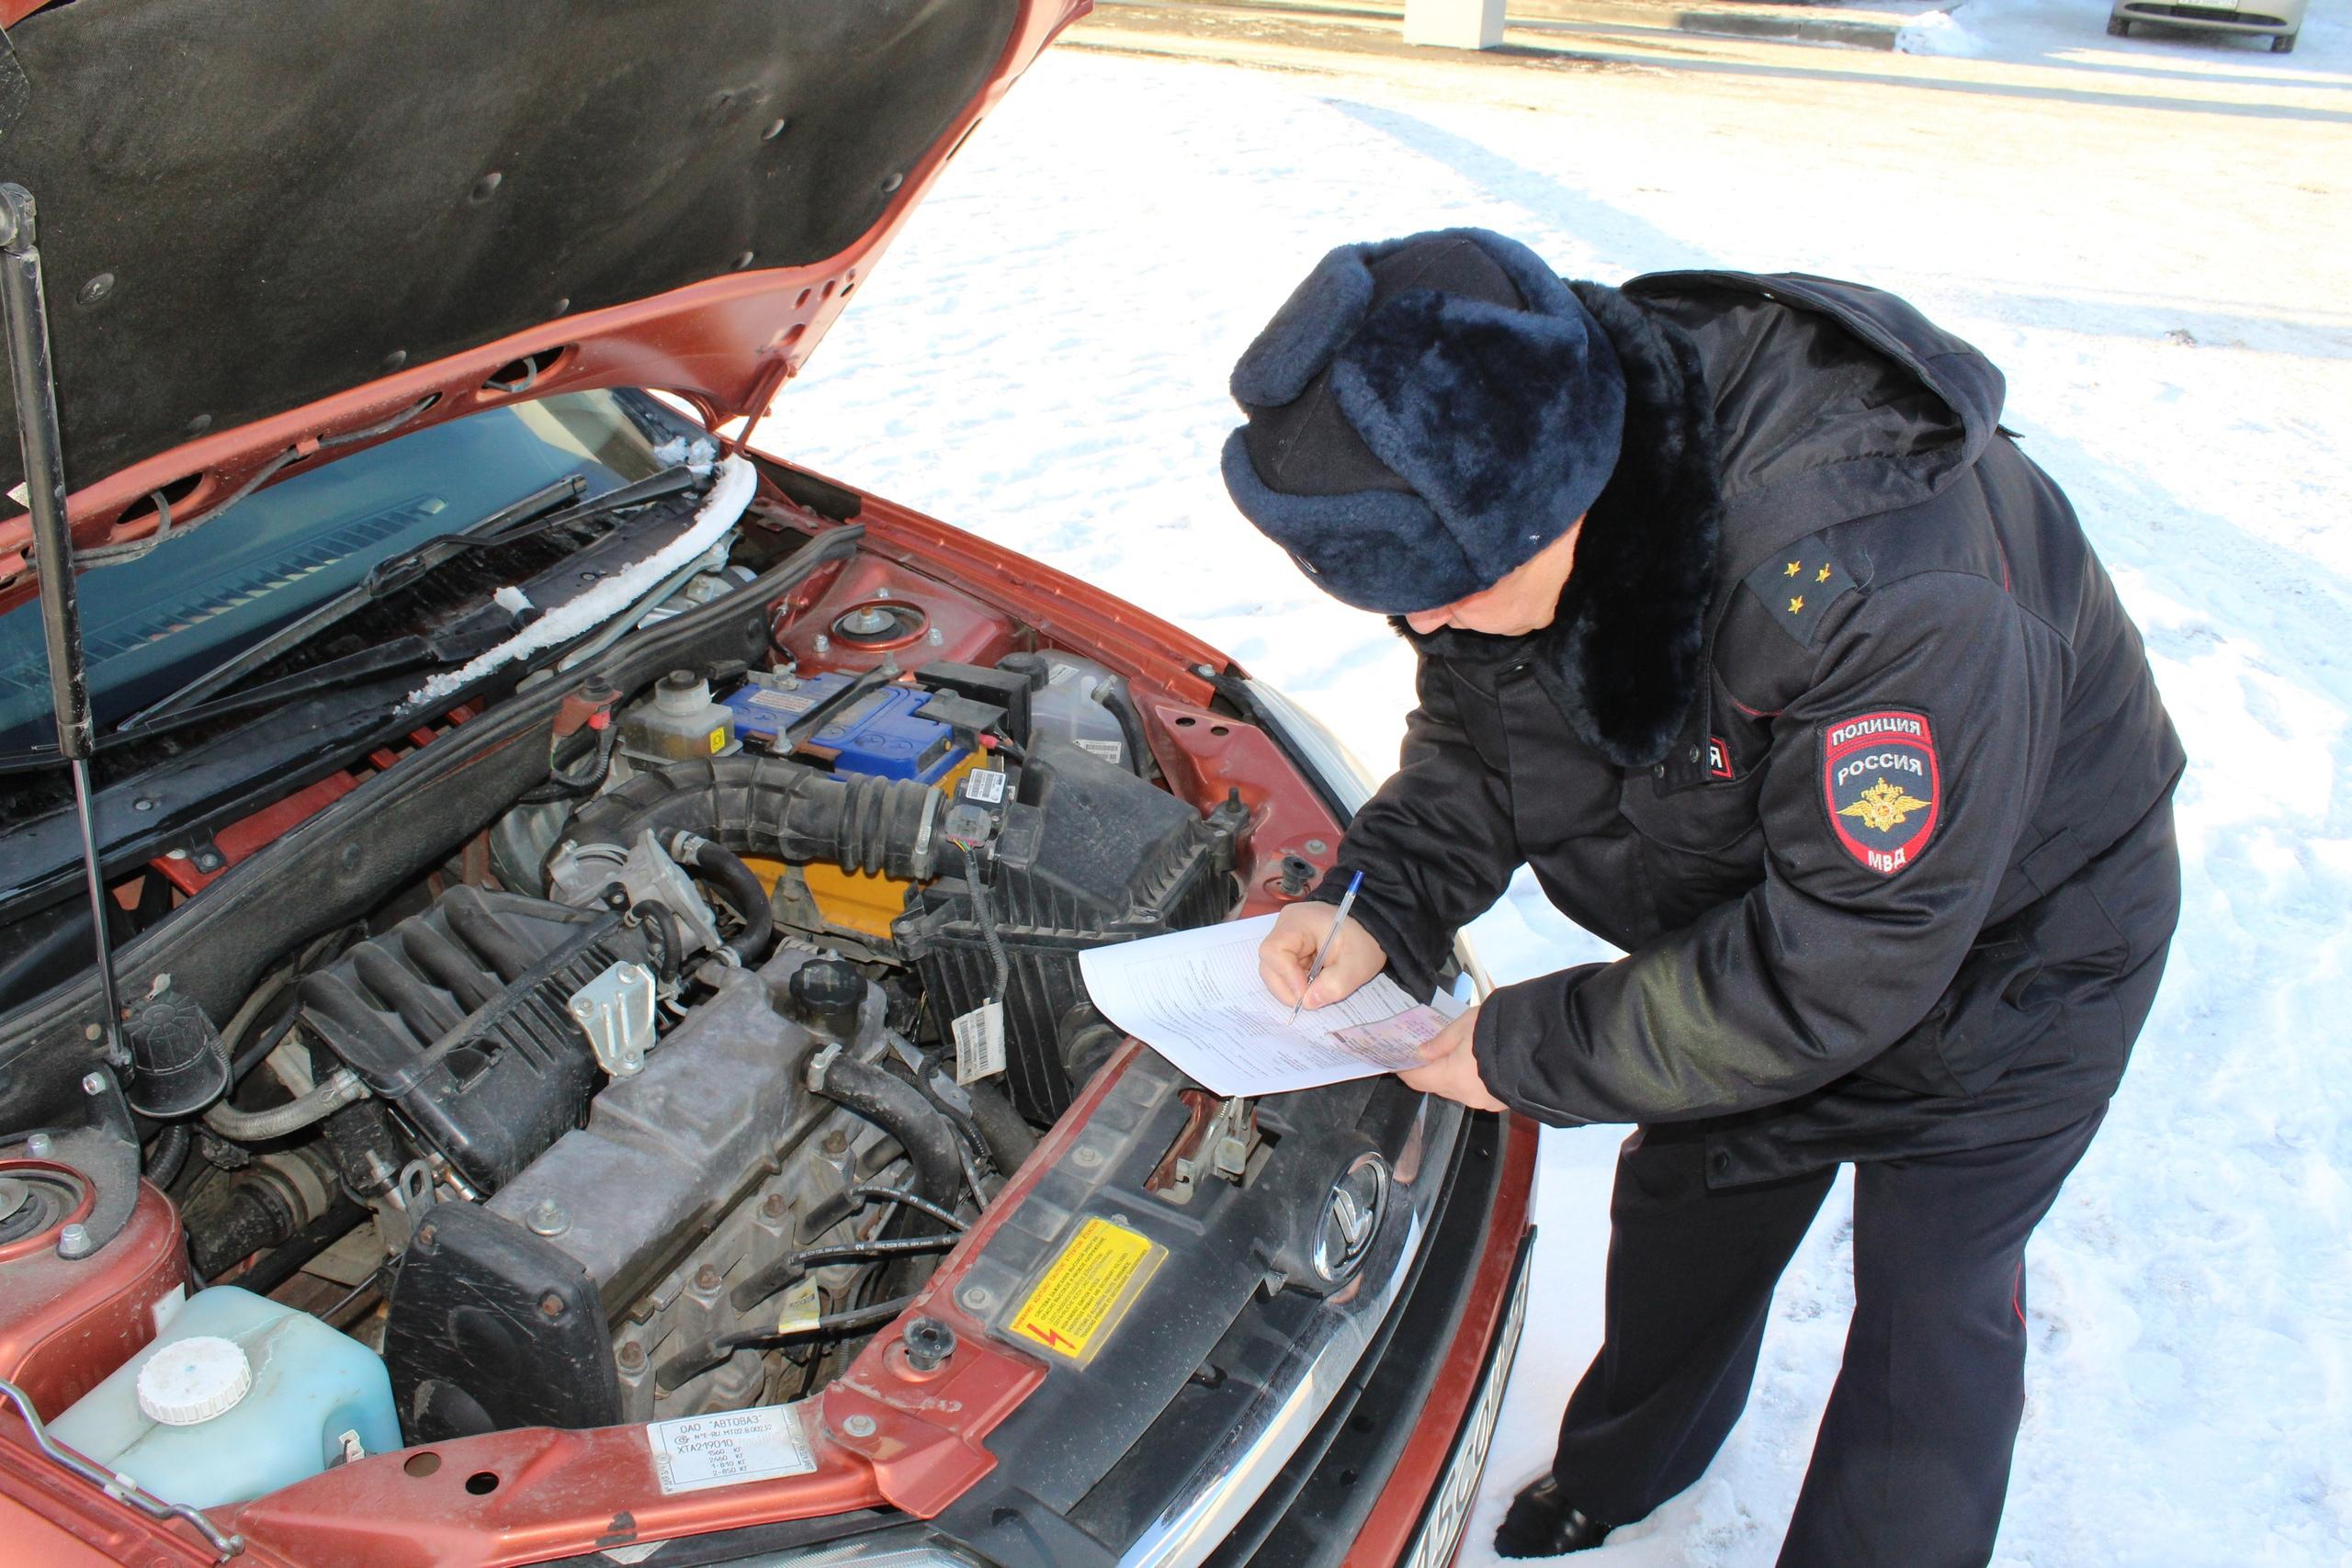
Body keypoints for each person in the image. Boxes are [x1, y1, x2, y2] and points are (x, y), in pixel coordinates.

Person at [1227, 229, 2183, 1566]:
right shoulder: (1536, 474)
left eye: (1443, 598)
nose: (1430, 632)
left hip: (2018, 957)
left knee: (1931, 1320)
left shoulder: (1885, 588)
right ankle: (1621, 1475)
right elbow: (1480, 746)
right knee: (1685, 1225)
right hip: (1759, 932)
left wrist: (1528, 1049)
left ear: (1544, 514)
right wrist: (1378, 903)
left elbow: (1847, 957)